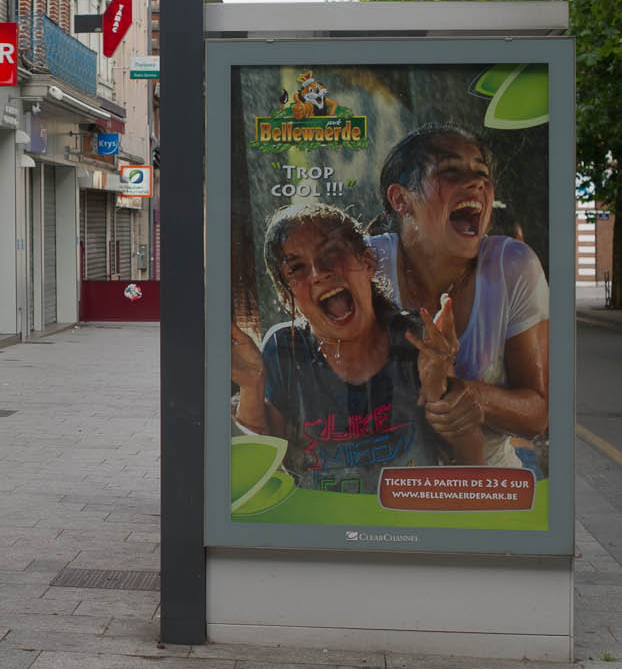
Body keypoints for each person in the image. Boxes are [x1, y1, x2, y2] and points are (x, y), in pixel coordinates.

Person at [231, 203, 486, 495]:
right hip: (320, 532)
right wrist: (251, 386)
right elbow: (262, 474)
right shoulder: (285, 349)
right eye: (297, 267)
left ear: (367, 263)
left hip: (404, 527)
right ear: (288, 299)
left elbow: (471, 467)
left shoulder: (415, 340)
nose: (318, 273)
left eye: (331, 252)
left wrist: (439, 389)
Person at [368, 125, 550, 470]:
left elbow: (538, 413)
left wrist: (472, 395)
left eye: (482, 173)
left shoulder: (513, 266)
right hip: (383, 488)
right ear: (400, 199)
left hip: (488, 489)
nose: (477, 183)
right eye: (450, 172)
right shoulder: (367, 266)